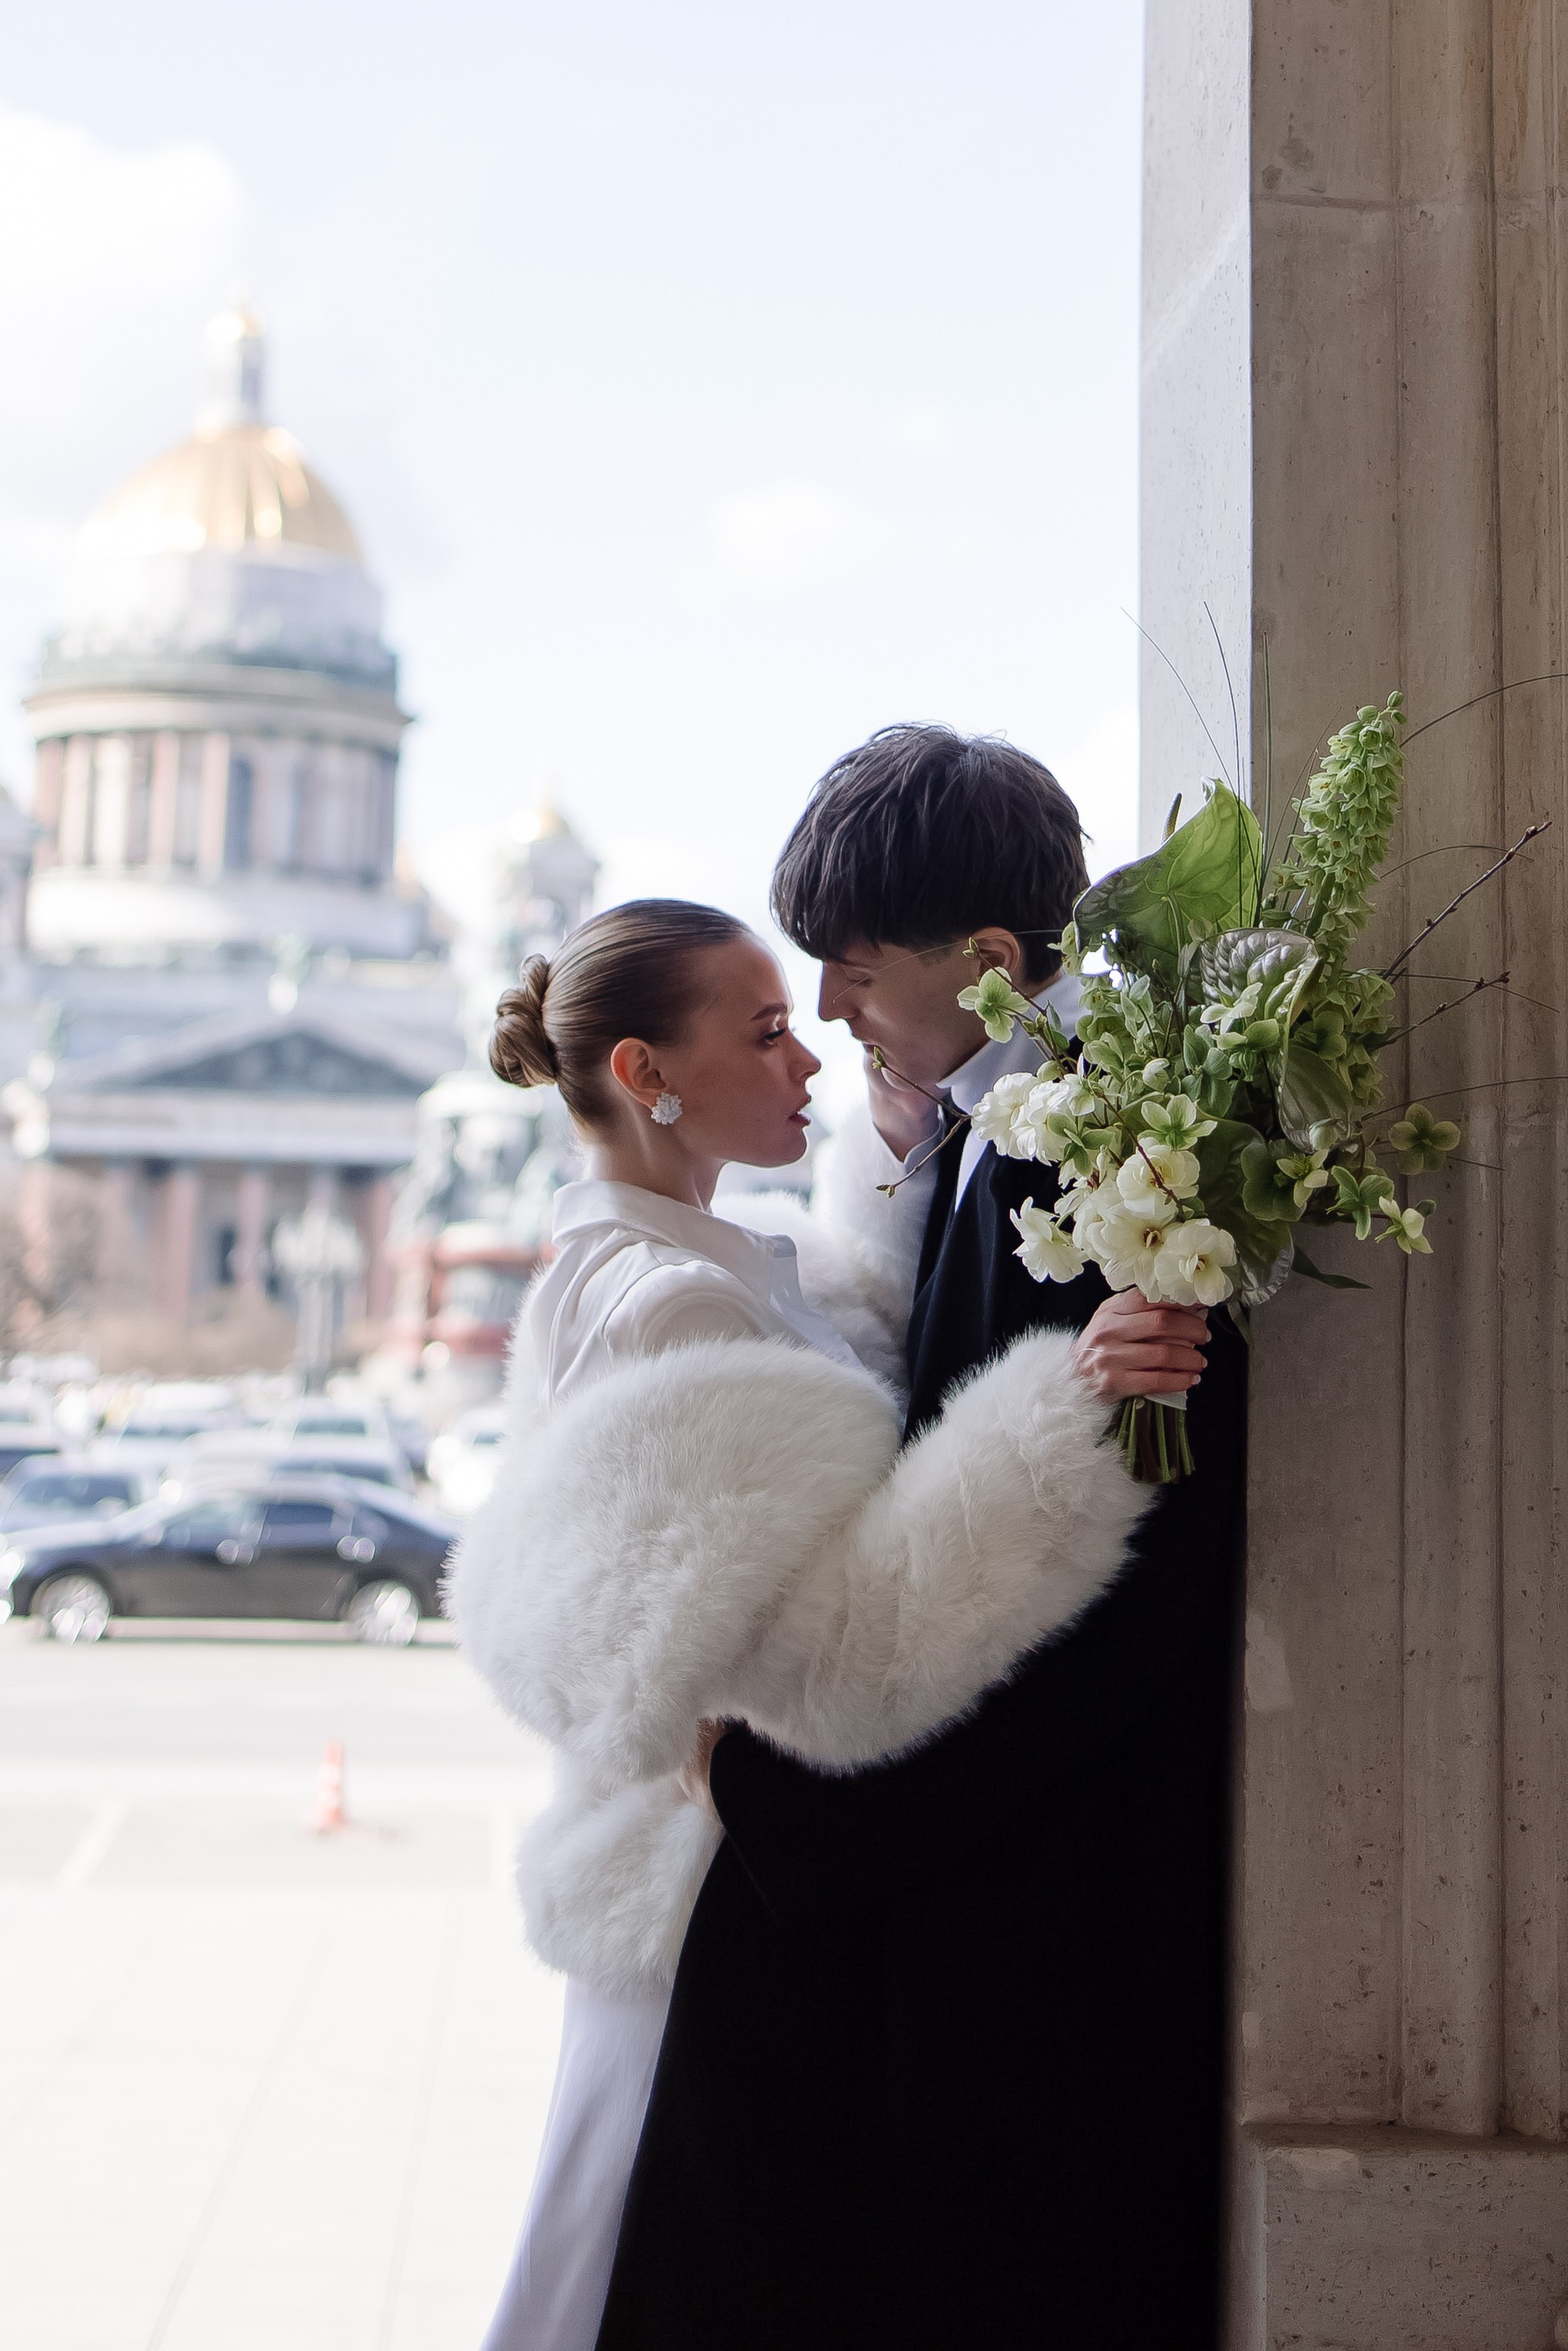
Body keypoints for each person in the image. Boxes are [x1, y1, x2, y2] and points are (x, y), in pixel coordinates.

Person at [450, 893, 1210, 2351]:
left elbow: (845, 1382)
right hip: (714, 1887)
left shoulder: (690, 1267)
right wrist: (1073, 1406)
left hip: (709, 1870)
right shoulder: (666, 1303)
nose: (810, 1056)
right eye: (765, 1031)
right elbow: (844, 1659)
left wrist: (901, 1157)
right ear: (644, 1075)